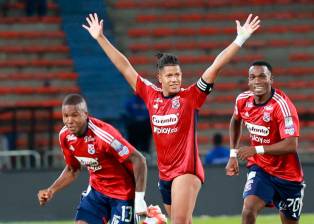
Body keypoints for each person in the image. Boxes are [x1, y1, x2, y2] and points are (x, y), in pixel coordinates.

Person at [83, 13, 260, 223]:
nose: (175, 79)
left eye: (178, 74)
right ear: (160, 78)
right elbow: (124, 67)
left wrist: (239, 39)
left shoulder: (191, 97)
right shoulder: (150, 94)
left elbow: (215, 67)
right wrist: (100, 38)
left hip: (187, 171)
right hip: (165, 174)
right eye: (170, 76)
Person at [37, 94, 148, 224]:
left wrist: (139, 200)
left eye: (74, 115)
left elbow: (139, 160)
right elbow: (73, 169)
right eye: (65, 116)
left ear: (85, 114)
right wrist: (51, 190)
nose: (69, 121)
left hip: (122, 195)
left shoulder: (104, 136)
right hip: (97, 192)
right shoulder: (65, 136)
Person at [225, 61, 305, 224]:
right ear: (248, 81)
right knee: (248, 209)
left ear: (271, 79)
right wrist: (233, 154)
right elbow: (235, 120)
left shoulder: (282, 106)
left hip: (288, 175)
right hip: (261, 168)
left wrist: (256, 149)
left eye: (262, 76)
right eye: (252, 77)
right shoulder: (242, 100)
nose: (257, 81)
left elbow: (291, 145)